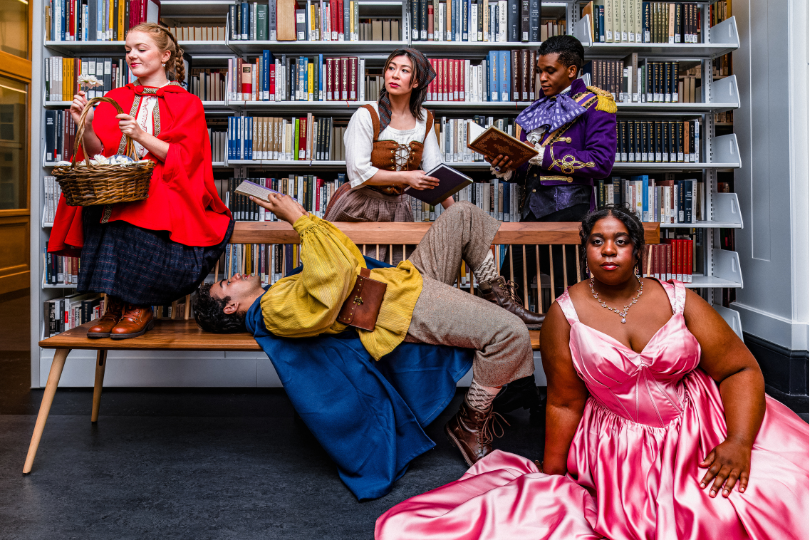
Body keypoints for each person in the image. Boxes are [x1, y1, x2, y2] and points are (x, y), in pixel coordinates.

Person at [375, 205, 809, 539]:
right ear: (584, 249)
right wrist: (552, 475)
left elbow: (739, 369)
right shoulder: (564, 314)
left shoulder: (680, 300)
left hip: (702, 423)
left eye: (620, 241)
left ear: (637, 250)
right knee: (693, 518)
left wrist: (737, 442)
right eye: (598, 241)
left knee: (779, 493)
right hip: (620, 442)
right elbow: (564, 401)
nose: (608, 249)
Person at [194, 193, 536, 480]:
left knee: (463, 214)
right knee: (510, 332)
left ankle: (498, 296)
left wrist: (306, 221)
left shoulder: (276, 293)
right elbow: (338, 277)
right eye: (227, 284)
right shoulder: (272, 310)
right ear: (230, 307)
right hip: (399, 307)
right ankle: (470, 422)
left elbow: (348, 260)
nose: (235, 274)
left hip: (396, 283)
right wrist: (299, 219)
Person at [49, 23, 232, 339]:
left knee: (143, 207)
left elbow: (187, 160)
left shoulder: (187, 102)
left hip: (167, 187)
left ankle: (139, 305)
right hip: (118, 186)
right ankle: (115, 305)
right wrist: (86, 125)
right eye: (128, 49)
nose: (132, 55)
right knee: (107, 207)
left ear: (165, 55)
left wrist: (142, 136)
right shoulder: (113, 98)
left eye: (141, 49)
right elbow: (98, 156)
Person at [488, 34, 617, 418]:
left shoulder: (597, 102)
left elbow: (600, 162)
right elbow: (530, 167)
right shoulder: (534, 110)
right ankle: (519, 387)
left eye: (550, 70)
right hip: (532, 216)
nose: (541, 77)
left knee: (573, 310)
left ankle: (579, 393)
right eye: (539, 70)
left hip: (571, 218)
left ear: (571, 70)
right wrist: (509, 165)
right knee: (506, 302)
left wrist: (545, 154)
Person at [324, 48, 449, 266]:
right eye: (391, 68)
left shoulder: (425, 120)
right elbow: (358, 172)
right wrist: (407, 178)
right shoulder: (366, 115)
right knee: (352, 275)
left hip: (399, 209)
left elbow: (434, 172)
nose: (394, 74)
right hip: (359, 206)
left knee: (396, 278)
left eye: (404, 70)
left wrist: (457, 211)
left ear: (417, 81)